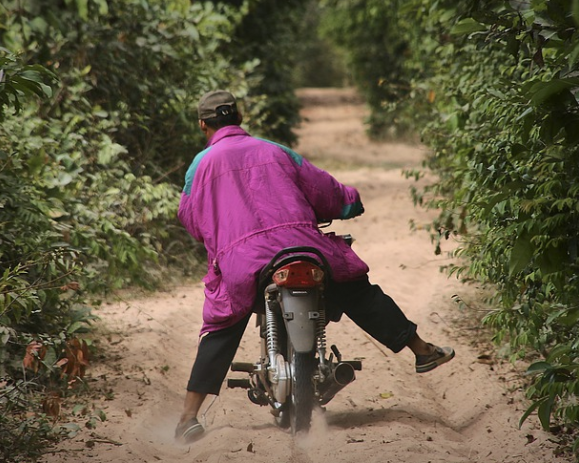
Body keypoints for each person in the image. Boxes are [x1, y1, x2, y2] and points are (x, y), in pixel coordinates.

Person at [174, 89, 455, 443]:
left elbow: (190, 217)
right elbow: (325, 191)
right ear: (240, 118)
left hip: (245, 261)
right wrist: (349, 202)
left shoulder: (200, 165)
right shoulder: (276, 151)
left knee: (223, 323)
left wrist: (220, 237)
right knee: (358, 290)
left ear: (203, 124)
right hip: (303, 247)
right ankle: (421, 349)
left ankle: (188, 418)